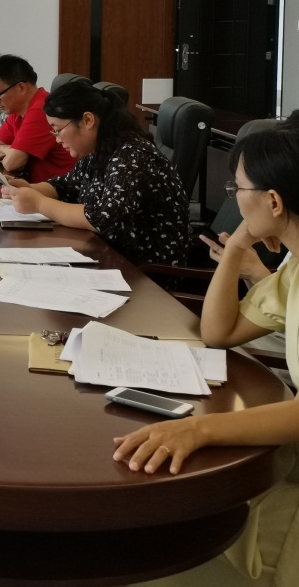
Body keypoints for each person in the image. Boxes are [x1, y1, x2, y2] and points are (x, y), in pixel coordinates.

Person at [113, 124, 299, 587]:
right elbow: (220, 332)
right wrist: (235, 247)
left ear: (274, 202)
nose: (234, 197)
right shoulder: (294, 267)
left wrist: (199, 429)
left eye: (238, 189)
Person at [1, 80, 188, 263]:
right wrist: (30, 189)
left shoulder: (132, 156)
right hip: (105, 254)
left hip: (143, 270)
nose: (57, 139)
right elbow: (66, 186)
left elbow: (104, 219)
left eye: (57, 130)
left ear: (87, 120)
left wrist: (39, 204)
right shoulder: (100, 147)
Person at [0, 54, 75, 182]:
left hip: (59, 189)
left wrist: (8, 152)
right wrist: (7, 149)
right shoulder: (17, 112)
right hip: (38, 186)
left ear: (21, 88)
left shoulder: (42, 110)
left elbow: (12, 164)